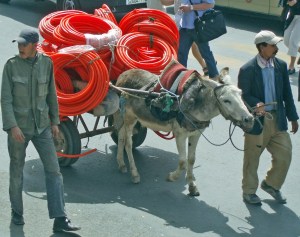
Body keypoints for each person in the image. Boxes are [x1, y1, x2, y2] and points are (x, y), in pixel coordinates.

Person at [1, 29, 81, 232]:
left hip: (42, 126)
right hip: (19, 128)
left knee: (54, 171)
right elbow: (6, 99)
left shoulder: (46, 63)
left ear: (34, 45)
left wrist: (55, 122)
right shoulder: (11, 66)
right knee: (17, 171)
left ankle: (60, 219)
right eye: (18, 43)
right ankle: (17, 212)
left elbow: (51, 94)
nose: (19, 47)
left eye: (23, 44)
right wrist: (12, 126)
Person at [238, 30, 299, 205]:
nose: (276, 48)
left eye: (275, 45)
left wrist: (293, 117)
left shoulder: (280, 66)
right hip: (258, 121)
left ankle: (271, 185)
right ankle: (249, 192)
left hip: (277, 119)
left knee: (285, 154)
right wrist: (256, 103)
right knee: (252, 159)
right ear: (261, 47)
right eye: (272, 45)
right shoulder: (248, 69)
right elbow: (243, 94)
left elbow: (287, 94)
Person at [160, 0, 209, 76]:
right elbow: (166, 2)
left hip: (189, 24)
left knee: (187, 48)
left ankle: (205, 67)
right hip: (181, 24)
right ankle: (205, 66)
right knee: (192, 47)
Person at [174, 0, 218, 78]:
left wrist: (191, 7)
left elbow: (211, 4)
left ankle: (215, 79)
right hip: (184, 27)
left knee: (206, 53)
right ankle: (180, 79)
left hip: (198, 27)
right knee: (181, 55)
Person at [283, 0, 300, 75]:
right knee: (286, 41)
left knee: (293, 41)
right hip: (292, 15)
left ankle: (291, 66)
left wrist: (297, 3)